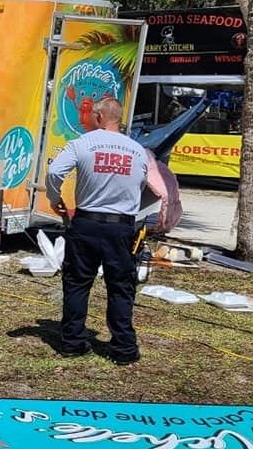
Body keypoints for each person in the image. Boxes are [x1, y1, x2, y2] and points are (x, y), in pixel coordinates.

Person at [45, 98, 168, 365]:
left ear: (99, 117)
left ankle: (72, 342)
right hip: (121, 226)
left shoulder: (82, 143)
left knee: (77, 283)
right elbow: (148, 186)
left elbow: (55, 171)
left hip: (86, 223)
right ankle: (124, 348)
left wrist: (55, 199)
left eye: (91, 114)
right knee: (121, 287)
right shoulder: (137, 150)